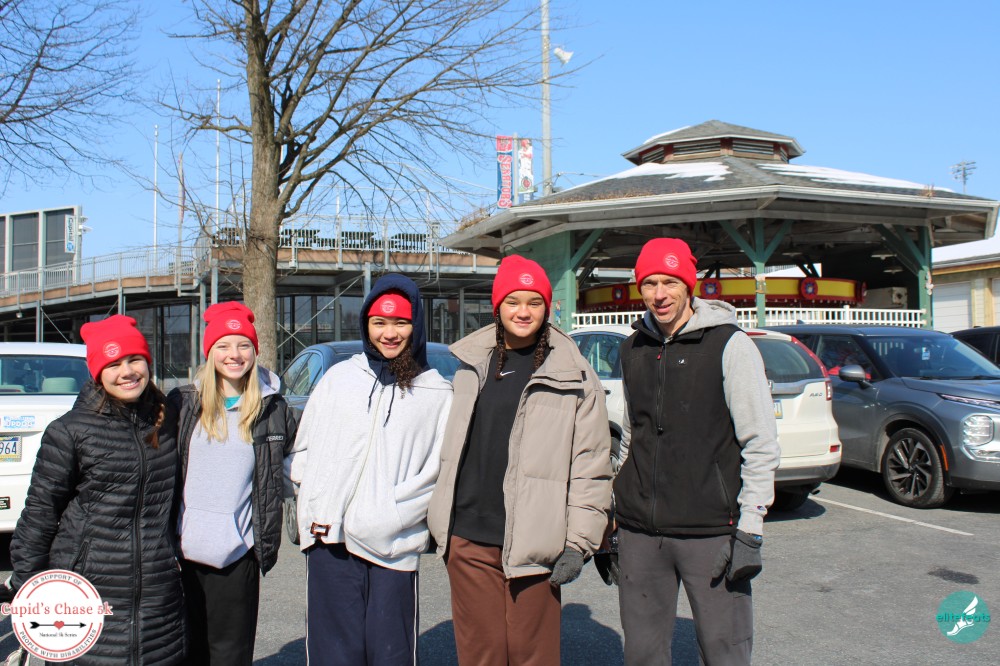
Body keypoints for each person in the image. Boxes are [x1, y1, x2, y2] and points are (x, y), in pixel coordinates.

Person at [427, 255, 612, 665]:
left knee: (534, 657)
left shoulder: (575, 374)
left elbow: (592, 466)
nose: (523, 312)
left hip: (536, 545)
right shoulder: (470, 366)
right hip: (468, 538)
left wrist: (578, 542)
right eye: (513, 301)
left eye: (534, 302)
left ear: (548, 307)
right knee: (481, 656)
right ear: (497, 306)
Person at [613, 238, 781, 665]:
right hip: (641, 532)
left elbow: (760, 443)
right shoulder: (632, 348)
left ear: (689, 286)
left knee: (725, 651)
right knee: (642, 654)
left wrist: (751, 526)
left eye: (669, 282)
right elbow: (631, 436)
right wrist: (612, 515)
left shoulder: (730, 345)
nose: (659, 294)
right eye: (649, 283)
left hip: (712, 531)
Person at [290, 274, 453, 666]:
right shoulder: (338, 379)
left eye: (400, 322)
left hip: (392, 545)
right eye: (379, 322)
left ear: (416, 325)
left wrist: (391, 515)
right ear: (366, 324)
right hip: (329, 540)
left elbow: (438, 475)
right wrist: (315, 500)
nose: (389, 333)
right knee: (333, 656)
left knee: (390, 654)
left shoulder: (437, 393)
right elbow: (302, 451)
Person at [5, 315, 186, 664]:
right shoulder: (69, 431)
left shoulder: (169, 420)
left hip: (158, 591)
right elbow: (41, 513)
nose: (127, 372)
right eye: (113, 364)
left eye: (134, 359)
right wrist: (30, 590)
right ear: (97, 373)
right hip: (87, 587)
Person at [168, 301, 298, 666]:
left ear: (255, 351)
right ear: (210, 352)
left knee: (231, 656)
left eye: (243, 345)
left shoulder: (273, 409)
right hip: (182, 557)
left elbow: (296, 465)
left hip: (238, 556)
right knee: (186, 654)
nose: (234, 354)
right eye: (223, 345)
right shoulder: (183, 404)